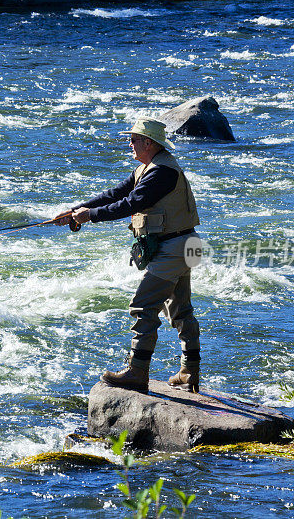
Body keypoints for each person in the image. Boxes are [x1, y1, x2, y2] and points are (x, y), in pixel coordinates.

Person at [55, 118, 201, 393]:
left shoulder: (162, 172)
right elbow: (117, 193)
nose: (129, 143)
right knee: (181, 309)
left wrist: (90, 217)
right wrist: (77, 210)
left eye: (133, 139)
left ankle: (137, 371)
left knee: (143, 305)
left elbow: (133, 203)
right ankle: (189, 371)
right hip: (186, 244)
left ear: (148, 142)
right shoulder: (149, 168)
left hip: (174, 247)